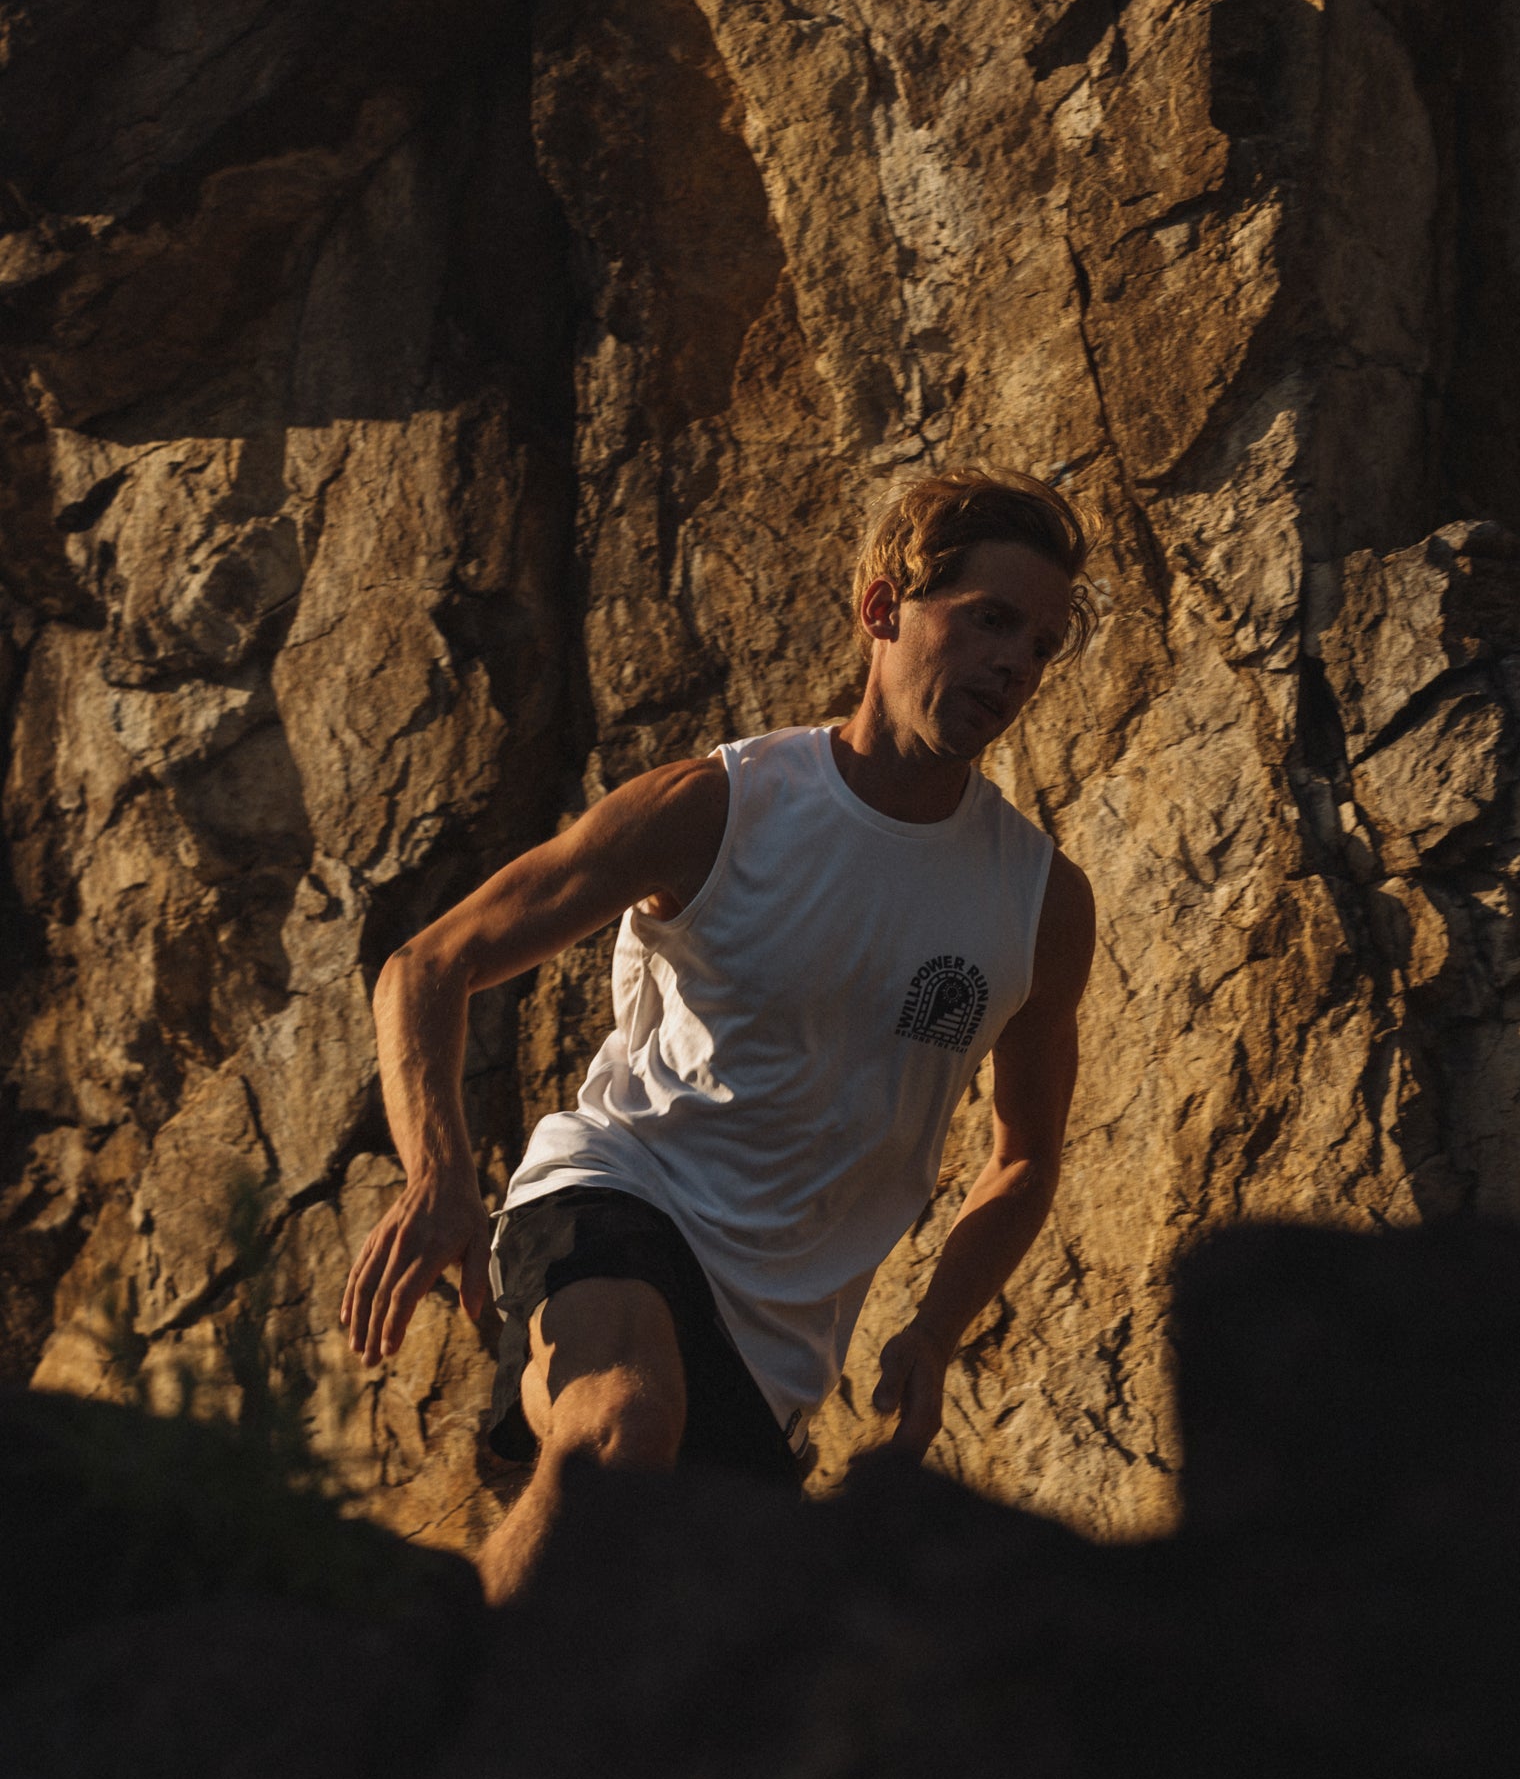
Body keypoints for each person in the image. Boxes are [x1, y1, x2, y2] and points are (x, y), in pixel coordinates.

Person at [341, 468, 1099, 1604]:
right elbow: (429, 965)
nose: (1014, 664)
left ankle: (427, 1676)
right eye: (989, 619)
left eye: (1041, 645)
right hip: (619, 1195)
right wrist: (440, 1173)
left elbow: (1024, 1155)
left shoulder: (1039, 900)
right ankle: (458, 1729)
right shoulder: (722, 805)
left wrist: (936, 1332)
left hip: (781, 1347)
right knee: (625, 1424)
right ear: (883, 608)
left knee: (662, 1641)